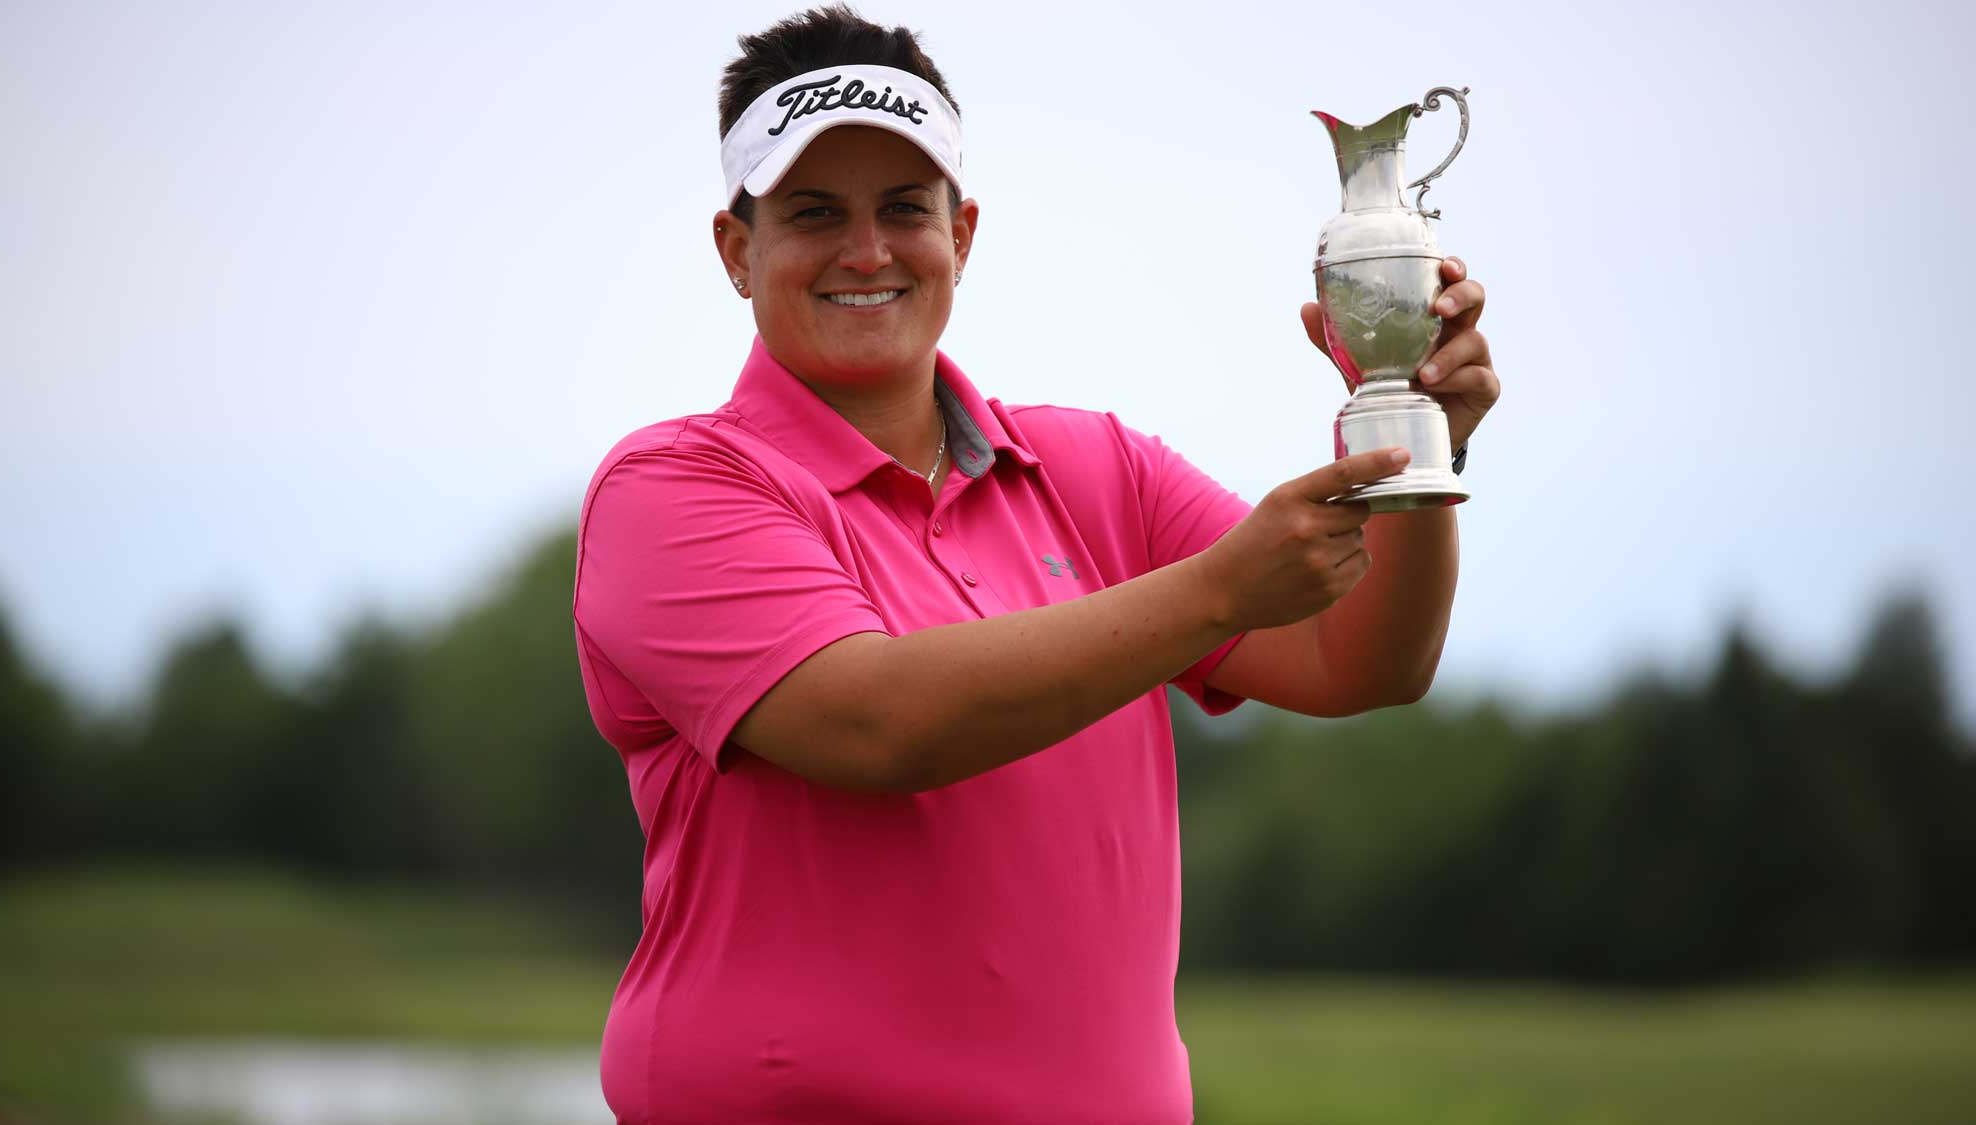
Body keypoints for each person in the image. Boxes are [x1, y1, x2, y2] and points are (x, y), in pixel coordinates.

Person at [571, 6, 1500, 1122]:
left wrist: (1414, 442)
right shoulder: (673, 488)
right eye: (814, 214)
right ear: (737, 250)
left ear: (960, 234)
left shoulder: (1096, 467)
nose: (865, 252)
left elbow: (1358, 662)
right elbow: (878, 724)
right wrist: (1212, 591)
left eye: (903, 210)